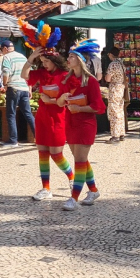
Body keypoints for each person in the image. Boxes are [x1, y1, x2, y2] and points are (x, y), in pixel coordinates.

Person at [19, 20, 74, 200]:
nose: (44, 65)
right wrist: (32, 58)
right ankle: (46, 188)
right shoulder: (42, 73)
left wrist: (51, 99)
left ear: (54, 60)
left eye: (46, 62)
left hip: (58, 118)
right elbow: (24, 75)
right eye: (41, 62)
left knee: (56, 154)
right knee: (42, 153)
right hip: (42, 117)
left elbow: (68, 97)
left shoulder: (65, 75)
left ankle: (73, 178)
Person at [57, 40, 106, 210]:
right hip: (70, 123)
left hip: (86, 124)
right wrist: (62, 99)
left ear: (80, 60)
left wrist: (80, 107)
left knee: (79, 161)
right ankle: (93, 190)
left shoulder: (91, 82)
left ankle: (73, 198)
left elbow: (99, 107)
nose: (68, 59)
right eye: (68, 56)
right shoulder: (66, 80)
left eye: (71, 56)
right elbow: (58, 102)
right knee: (82, 161)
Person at [0, 39, 36, 148]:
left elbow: (6, 72)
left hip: (13, 87)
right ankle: (39, 138)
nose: (2, 52)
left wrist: (5, 85)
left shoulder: (6, 57)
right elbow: (29, 73)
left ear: (5, 49)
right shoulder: (23, 57)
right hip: (24, 88)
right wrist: (29, 88)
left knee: (11, 114)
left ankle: (13, 140)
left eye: (2, 50)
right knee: (28, 113)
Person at [104, 47, 127, 143]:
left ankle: (115, 135)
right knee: (120, 111)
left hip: (114, 88)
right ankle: (121, 133)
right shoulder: (121, 64)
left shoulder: (113, 64)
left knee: (113, 112)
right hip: (121, 88)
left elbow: (108, 79)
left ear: (110, 54)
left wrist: (106, 76)